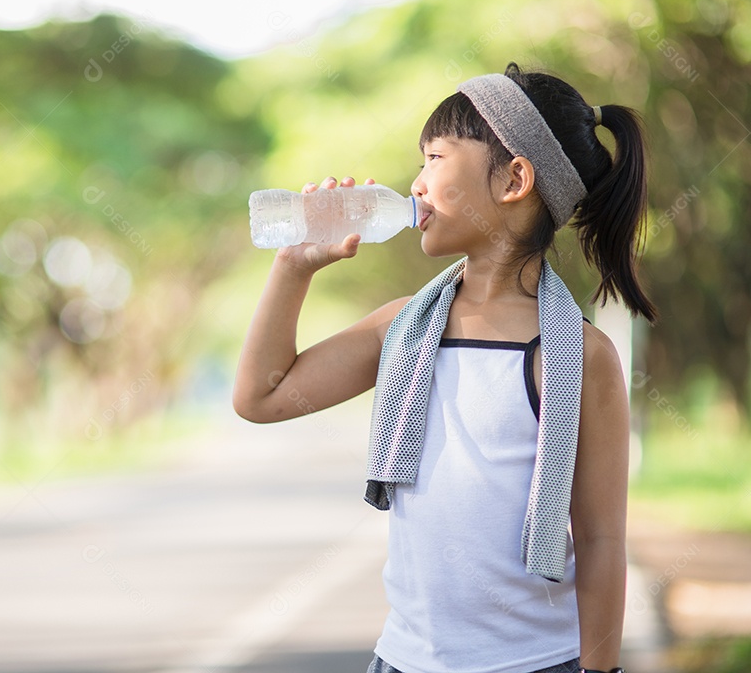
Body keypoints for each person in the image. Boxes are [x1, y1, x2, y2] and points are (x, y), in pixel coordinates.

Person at [233, 62, 655, 673]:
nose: (417, 182)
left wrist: (601, 669)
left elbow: (599, 541)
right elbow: (261, 397)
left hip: (538, 662)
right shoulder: (401, 327)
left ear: (514, 179)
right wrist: (293, 268)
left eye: (436, 157)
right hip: (403, 660)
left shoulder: (581, 356)